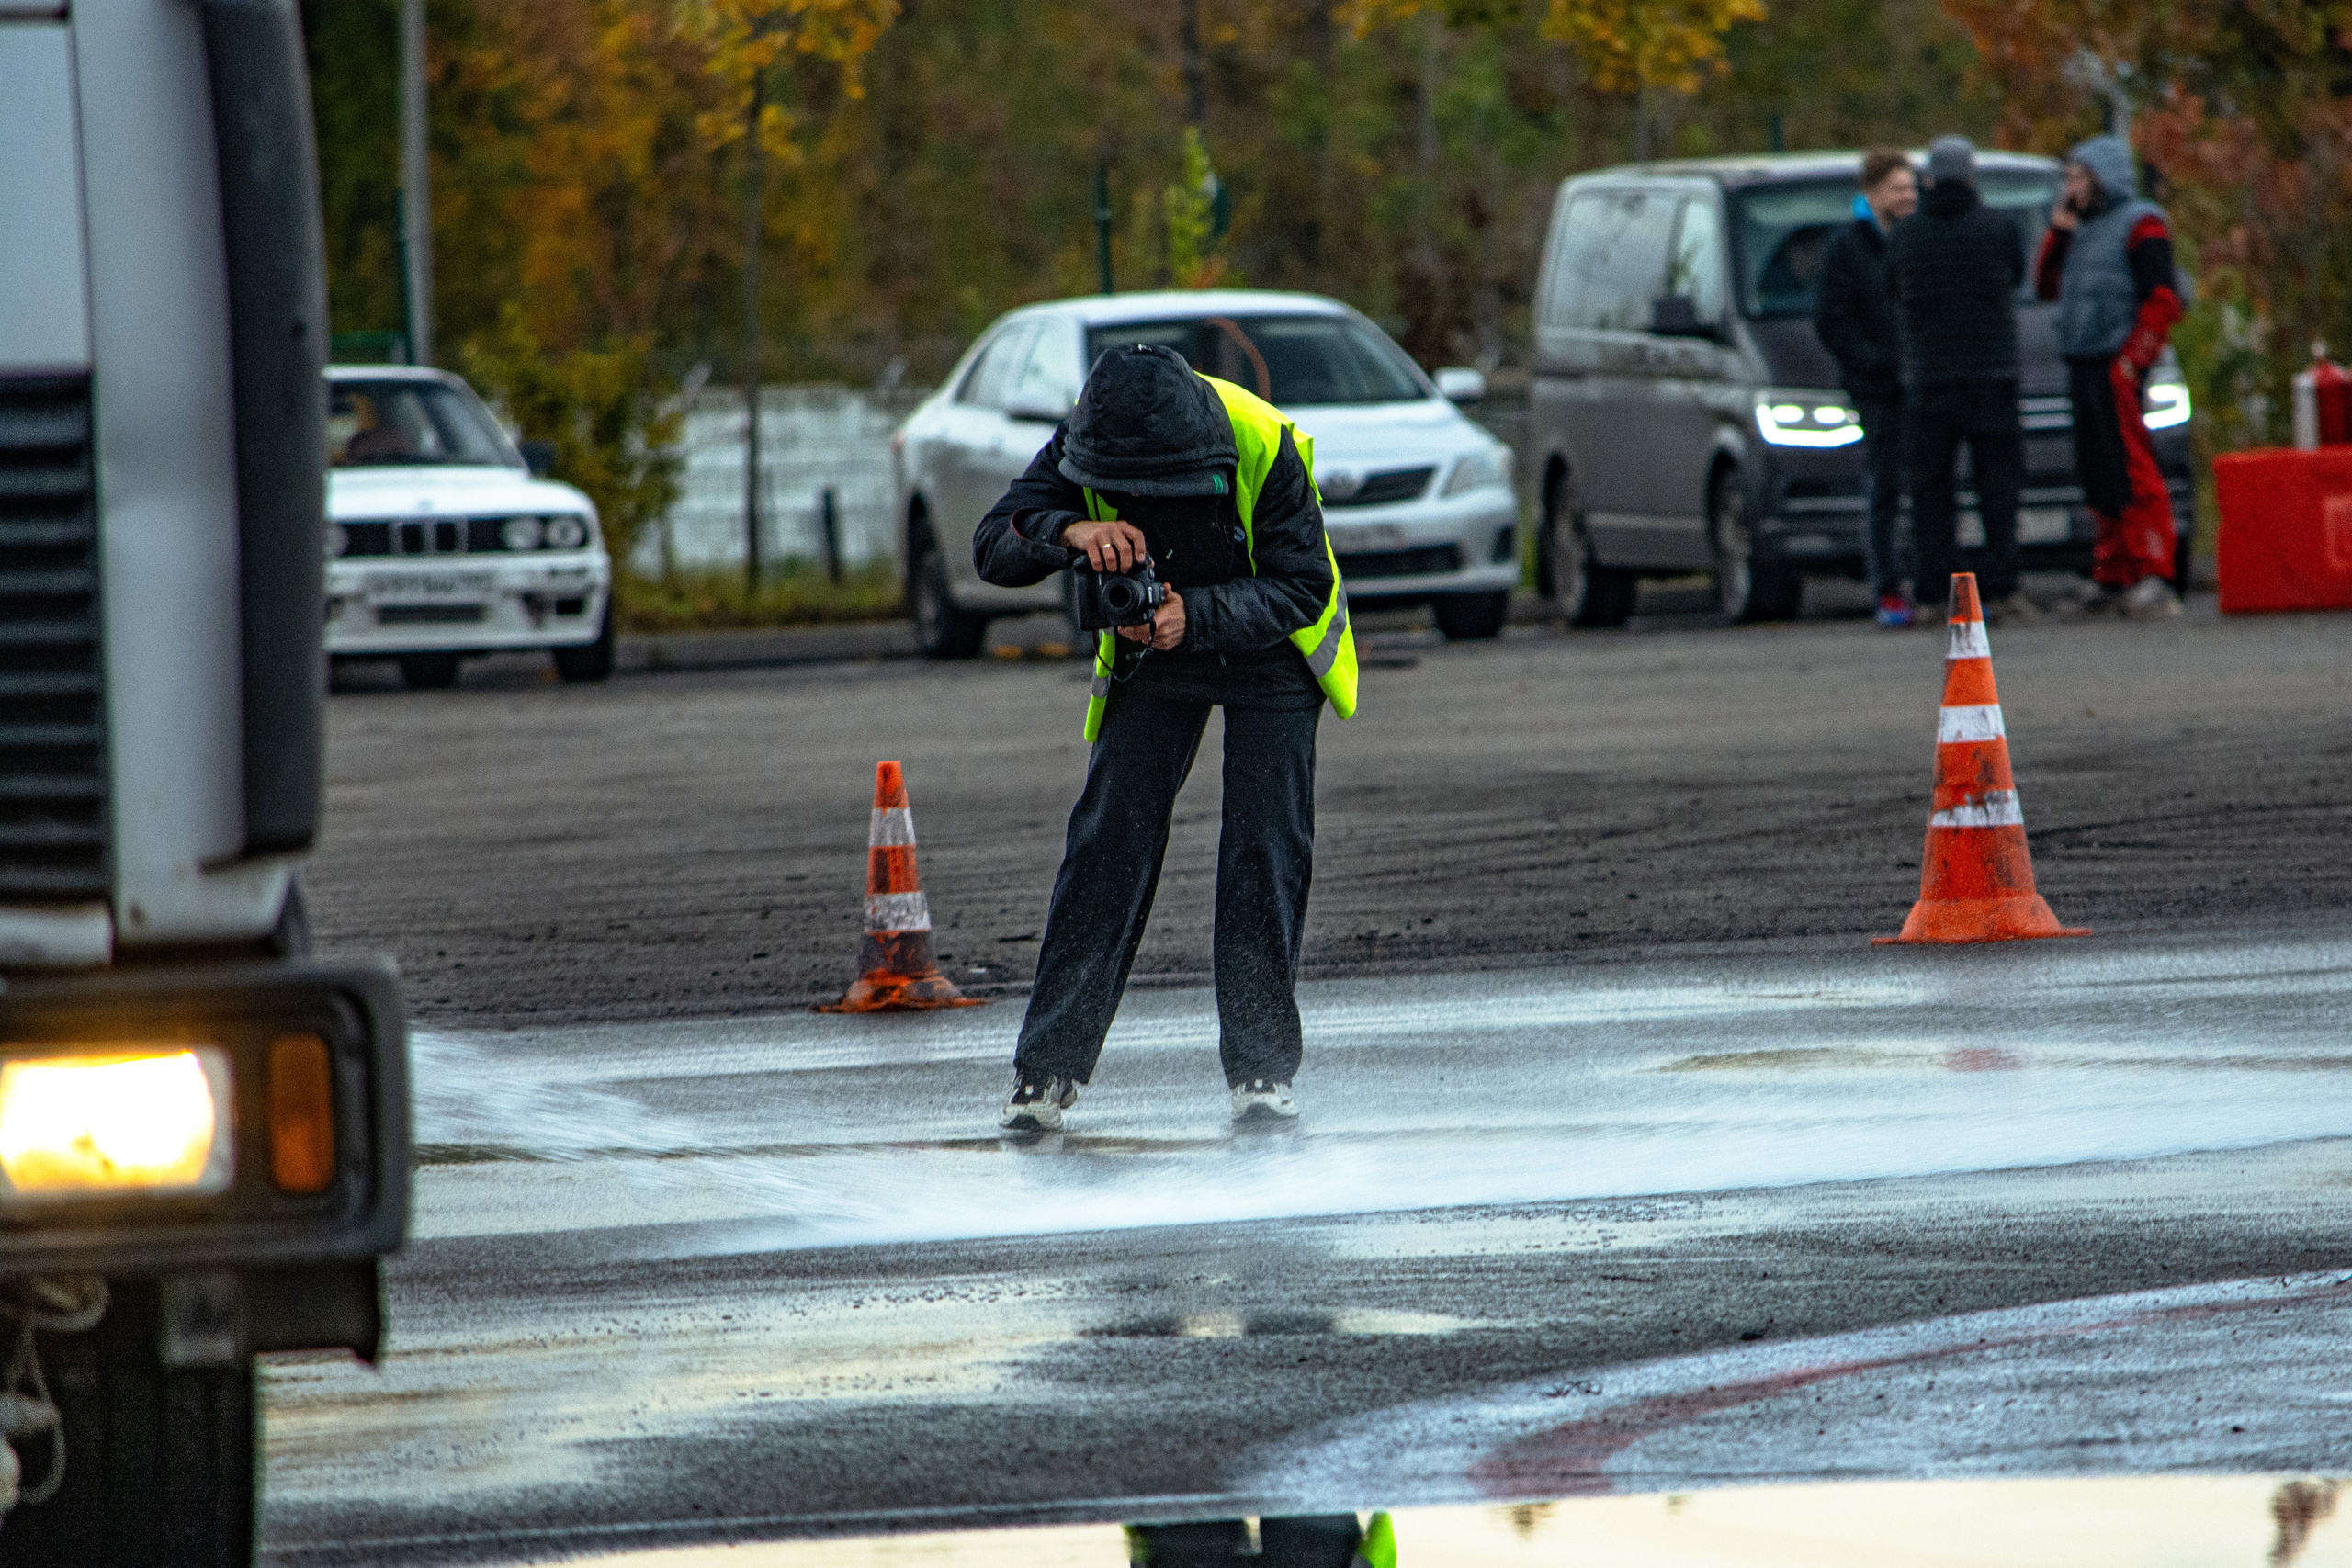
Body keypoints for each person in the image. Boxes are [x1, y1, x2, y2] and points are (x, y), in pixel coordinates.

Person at [971, 344, 1358, 1134]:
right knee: (1107, 839)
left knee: (1262, 847)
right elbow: (994, 546)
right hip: (1157, 650)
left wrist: (1200, 616)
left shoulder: (1260, 439)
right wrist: (1071, 530)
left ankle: (1261, 1070)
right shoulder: (1086, 437)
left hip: (1271, 650)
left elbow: (1304, 582)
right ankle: (1045, 1070)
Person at [2035, 134, 2186, 617]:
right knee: (2097, 469)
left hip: (2117, 362)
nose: (2071, 188)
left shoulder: (2140, 224)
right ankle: (2115, 569)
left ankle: (2153, 569)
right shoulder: (2082, 232)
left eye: (2078, 177)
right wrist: (2058, 232)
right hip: (2083, 358)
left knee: (2132, 466)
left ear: (2102, 178)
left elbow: (2162, 298)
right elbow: (2045, 285)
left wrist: (2133, 360)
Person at [1886, 134, 2031, 623]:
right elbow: (2015, 276)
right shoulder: (1997, 226)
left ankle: (1934, 592)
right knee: (1998, 487)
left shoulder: (1907, 235)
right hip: (1992, 376)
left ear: (1927, 179)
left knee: (1931, 490)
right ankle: (2002, 586)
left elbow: (1892, 289)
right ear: (1971, 177)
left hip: (1929, 379)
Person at [1813, 146, 1919, 628]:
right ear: (1873, 193)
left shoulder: (1917, 239)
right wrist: (1874, 362)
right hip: (1876, 388)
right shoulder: (1846, 248)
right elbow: (1832, 320)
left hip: (1920, 383)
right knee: (1885, 483)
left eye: (1911, 186)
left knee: (1926, 483)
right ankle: (1887, 584)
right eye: (1898, 188)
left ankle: (1930, 580)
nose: (1907, 196)